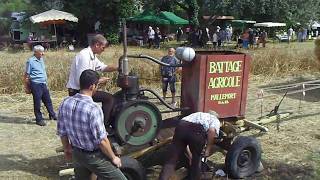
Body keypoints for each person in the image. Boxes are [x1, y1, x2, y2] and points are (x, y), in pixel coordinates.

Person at [57, 69, 127, 180]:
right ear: (92, 86)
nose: (97, 88)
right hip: (93, 157)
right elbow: (102, 141)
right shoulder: (94, 109)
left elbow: (62, 131)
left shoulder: (65, 102)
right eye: (97, 85)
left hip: (77, 154)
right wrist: (113, 158)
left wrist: (67, 149)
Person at [66, 34, 118, 127]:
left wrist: (118, 67)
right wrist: (99, 81)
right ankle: (104, 127)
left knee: (110, 98)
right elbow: (82, 80)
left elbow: (103, 67)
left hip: (85, 89)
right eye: (103, 47)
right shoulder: (84, 56)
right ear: (97, 45)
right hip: (77, 91)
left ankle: (106, 124)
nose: (104, 50)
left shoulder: (92, 56)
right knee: (109, 99)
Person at [159, 111, 220, 180]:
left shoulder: (197, 114)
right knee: (196, 161)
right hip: (197, 131)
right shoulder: (214, 119)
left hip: (181, 126)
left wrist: (190, 155)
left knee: (172, 158)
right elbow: (211, 131)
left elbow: (185, 142)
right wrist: (208, 149)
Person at [24, 45, 56, 126]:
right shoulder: (30, 61)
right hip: (35, 84)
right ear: (36, 52)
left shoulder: (41, 59)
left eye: (43, 51)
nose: (43, 53)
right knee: (37, 102)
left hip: (43, 83)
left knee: (48, 100)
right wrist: (27, 87)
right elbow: (26, 75)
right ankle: (39, 119)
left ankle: (52, 114)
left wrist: (46, 82)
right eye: (41, 52)